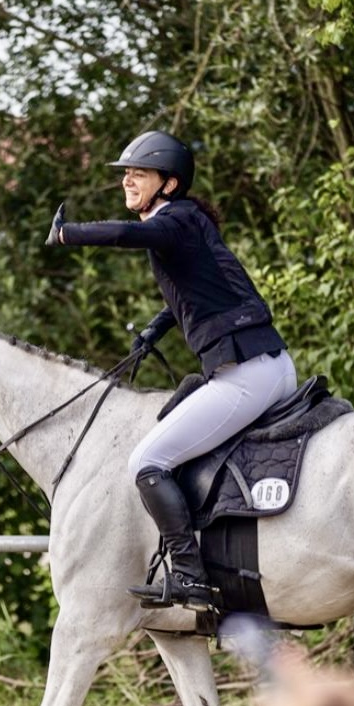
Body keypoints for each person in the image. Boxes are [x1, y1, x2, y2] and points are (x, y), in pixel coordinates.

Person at [44, 130, 297, 610]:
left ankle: (190, 575)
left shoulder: (174, 220)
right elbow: (192, 296)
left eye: (139, 174)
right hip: (270, 364)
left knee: (146, 460)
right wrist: (153, 332)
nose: (127, 181)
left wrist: (68, 233)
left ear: (170, 183)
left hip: (248, 374)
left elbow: (125, 234)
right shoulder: (188, 224)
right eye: (126, 174)